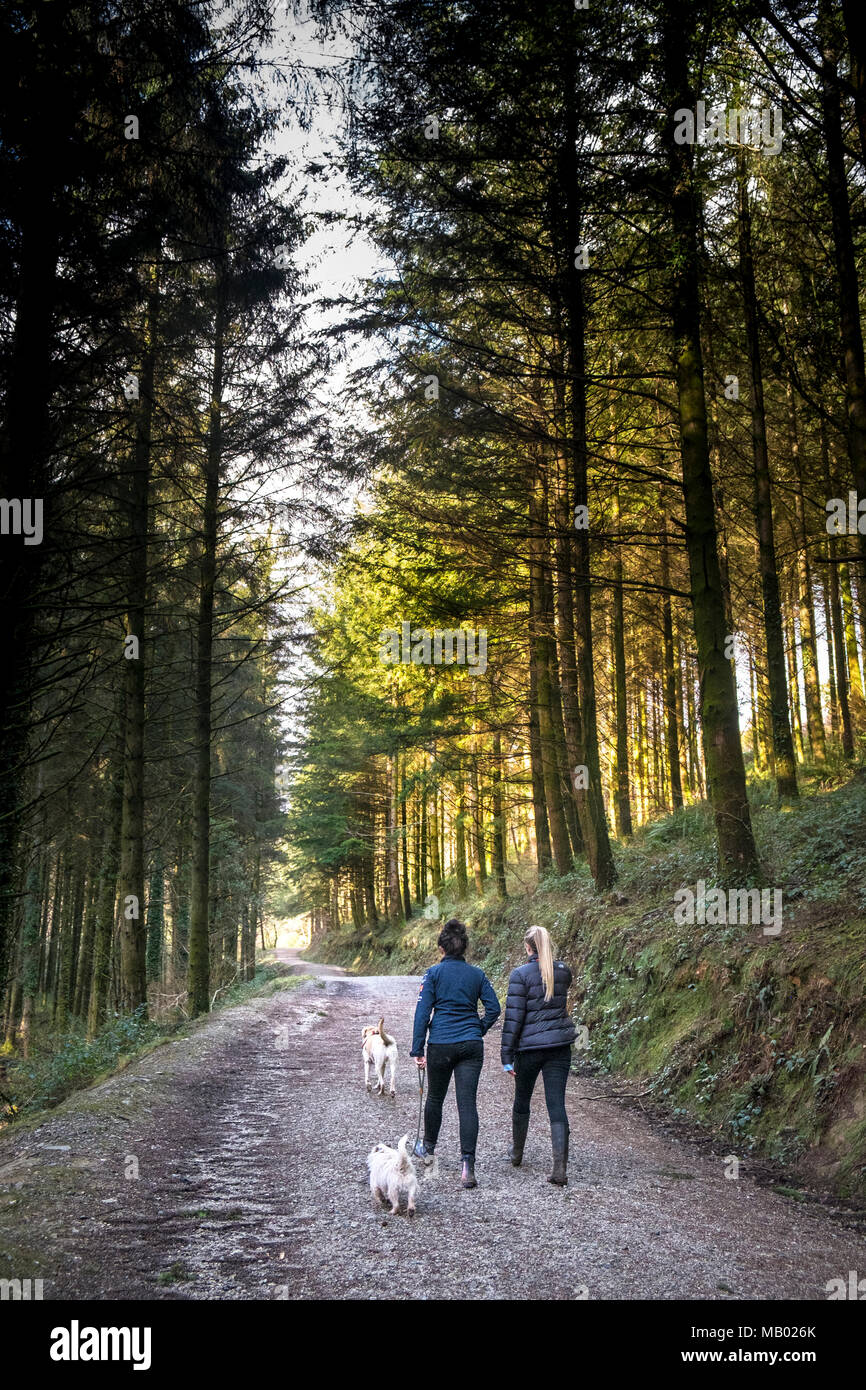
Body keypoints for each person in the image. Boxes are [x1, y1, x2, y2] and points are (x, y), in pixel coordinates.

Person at [411, 918, 501, 1189]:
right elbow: (494, 1008)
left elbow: (422, 1013)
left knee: (435, 1098)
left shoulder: (433, 974)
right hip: (471, 1046)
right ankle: (467, 1167)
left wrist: (417, 1048)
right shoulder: (477, 975)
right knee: (467, 1104)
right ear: (465, 949)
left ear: (442, 948)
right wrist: (478, 1028)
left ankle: (428, 1150)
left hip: (440, 1044)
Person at [500, 924, 576, 1185]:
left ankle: (517, 1152)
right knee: (557, 1104)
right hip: (559, 1048)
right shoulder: (563, 972)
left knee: (522, 1100)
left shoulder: (520, 975)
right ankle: (560, 1169)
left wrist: (506, 1056)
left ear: (527, 947)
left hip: (529, 1049)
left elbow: (513, 1019)